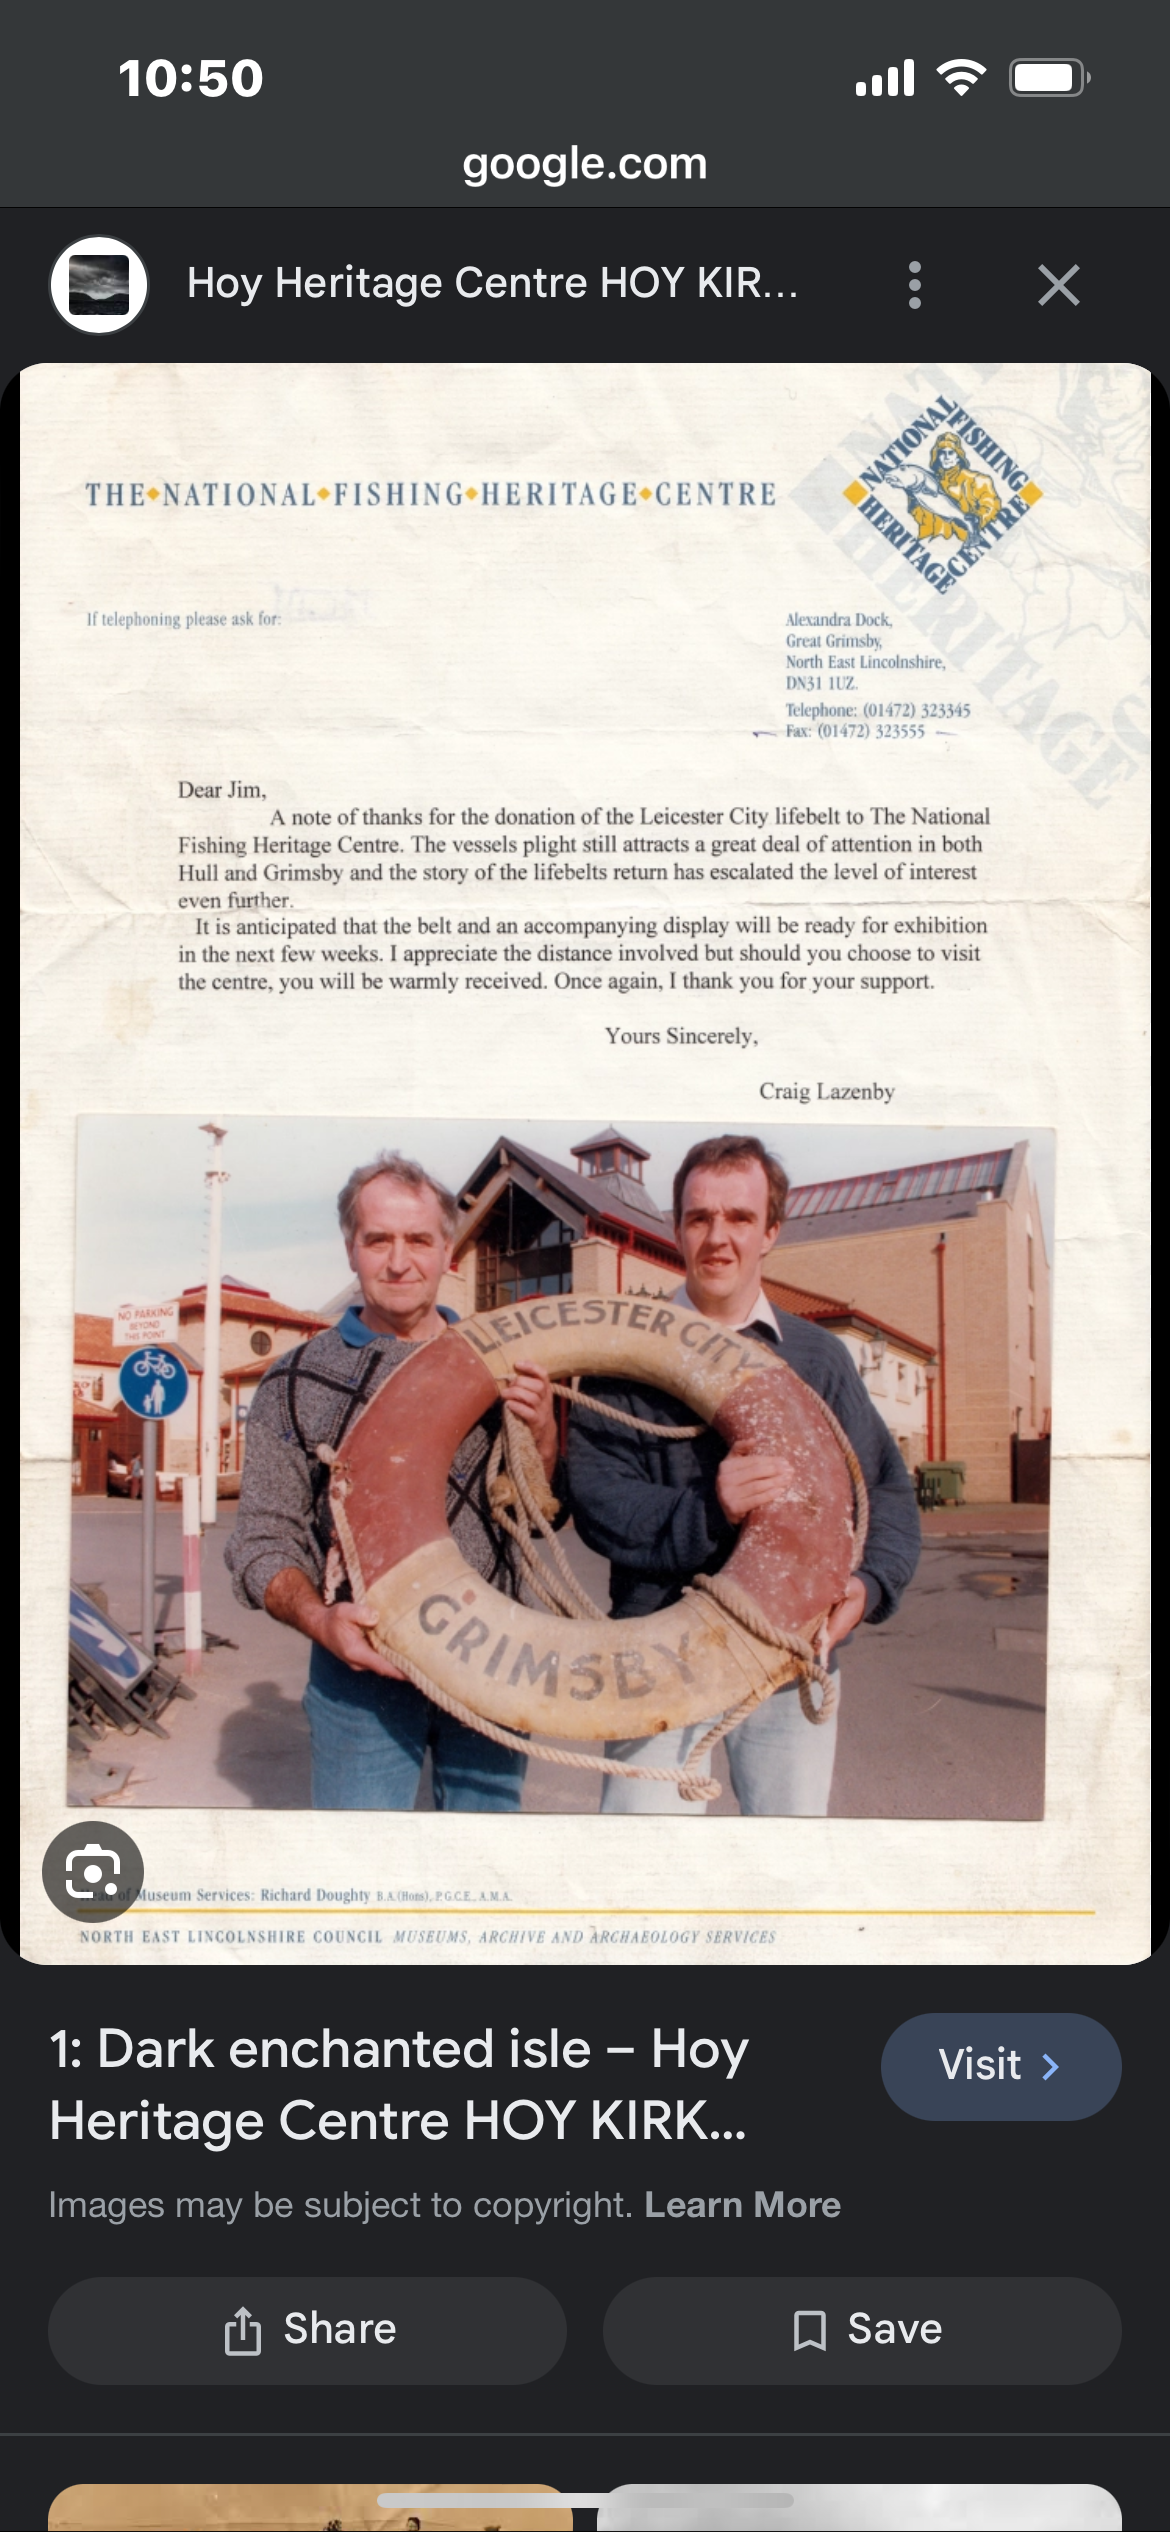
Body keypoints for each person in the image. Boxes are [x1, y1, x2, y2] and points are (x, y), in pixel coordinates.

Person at [566, 1133, 921, 1815]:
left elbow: (885, 1490)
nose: (718, 1237)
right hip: (657, 1655)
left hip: (788, 1657)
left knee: (783, 1871)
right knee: (648, 1880)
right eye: (700, 1218)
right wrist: (708, 1506)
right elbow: (598, 1498)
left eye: (739, 1218)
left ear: (771, 1233)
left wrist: (870, 1583)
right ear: (675, 1228)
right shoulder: (622, 1360)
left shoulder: (817, 1359)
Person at [226, 1151, 559, 1810]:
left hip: (493, 1663)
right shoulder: (292, 1384)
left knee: (482, 1881)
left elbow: (538, 1512)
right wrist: (320, 1621)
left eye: (418, 1240)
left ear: (447, 1251)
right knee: (364, 1882)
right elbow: (262, 1537)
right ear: (352, 1250)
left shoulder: (507, 1368)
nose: (399, 1261)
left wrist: (543, 1433)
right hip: (363, 1679)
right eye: (379, 1240)